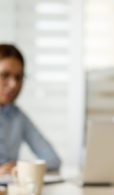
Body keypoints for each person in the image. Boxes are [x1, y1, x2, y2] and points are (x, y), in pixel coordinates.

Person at [0, 44, 61, 175]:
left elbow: (53, 159)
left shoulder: (18, 117)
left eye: (19, 77)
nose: (13, 85)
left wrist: (21, 167)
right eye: (5, 75)